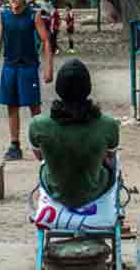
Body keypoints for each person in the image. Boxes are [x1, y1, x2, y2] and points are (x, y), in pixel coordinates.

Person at [29, 58, 120, 209]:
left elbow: (40, 157)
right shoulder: (108, 125)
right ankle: (114, 210)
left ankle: (46, 204)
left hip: (54, 189)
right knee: (115, 159)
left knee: (47, 162)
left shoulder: (38, 124)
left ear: (59, 88)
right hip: (94, 191)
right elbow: (109, 157)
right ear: (88, 87)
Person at [0, 0, 56, 161]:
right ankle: (14, 145)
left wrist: (49, 68)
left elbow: (46, 41)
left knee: (34, 106)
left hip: (28, 66)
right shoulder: (3, 16)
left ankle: (41, 143)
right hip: (10, 66)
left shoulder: (33, 15)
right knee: (11, 105)